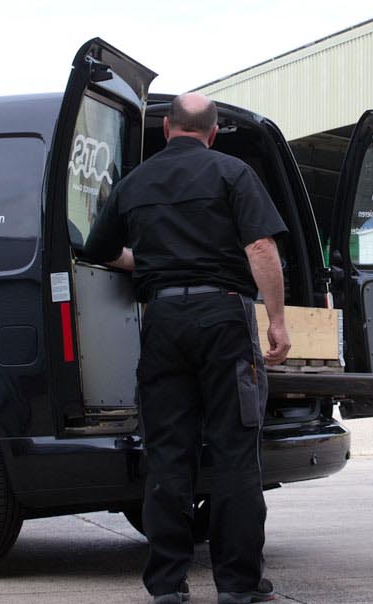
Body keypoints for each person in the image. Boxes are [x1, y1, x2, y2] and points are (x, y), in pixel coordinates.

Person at [82, 92, 290, 604]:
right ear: (213, 132)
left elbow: (99, 249)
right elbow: (260, 247)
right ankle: (237, 586)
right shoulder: (232, 172)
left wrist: (152, 261)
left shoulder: (135, 182)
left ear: (167, 128)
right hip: (224, 319)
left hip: (164, 323)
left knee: (168, 456)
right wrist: (278, 320)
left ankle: (167, 586)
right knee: (235, 453)